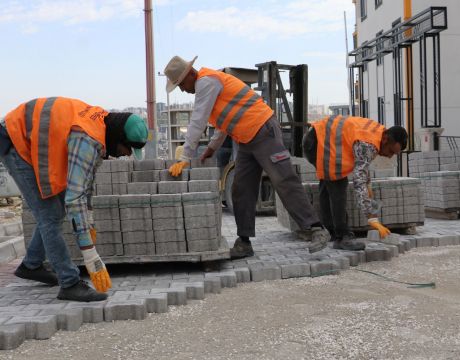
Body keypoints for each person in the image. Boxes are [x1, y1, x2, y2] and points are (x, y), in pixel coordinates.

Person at [163, 55, 328, 259]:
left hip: (263, 130)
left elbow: (198, 120)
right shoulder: (209, 84)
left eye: (180, 84)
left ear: (189, 74)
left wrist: (185, 156)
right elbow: (224, 120)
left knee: (283, 179)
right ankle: (244, 241)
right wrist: (212, 148)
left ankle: (315, 228)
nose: (182, 89)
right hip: (246, 138)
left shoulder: (206, 82)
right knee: (241, 189)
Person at [0, 97, 148, 302]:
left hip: (28, 138)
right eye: (128, 149)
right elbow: (75, 197)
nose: (127, 155)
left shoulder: (101, 127)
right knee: (49, 215)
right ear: (119, 138)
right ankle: (69, 283)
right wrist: (90, 255)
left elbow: (86, 182)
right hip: (15, 141)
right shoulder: (87, 138)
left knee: (54, 212)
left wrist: (90, 221)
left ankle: (31, 265)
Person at [302, 116, 407, 250]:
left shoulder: (378, 132)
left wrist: (367, 184)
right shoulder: (369, 144)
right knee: (338, 184)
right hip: (319, 142)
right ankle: (342, 237)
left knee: (328, 183)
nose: (389, 156)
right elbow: (358, 180)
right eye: (391, 151)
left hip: (316, 139)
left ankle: (330, 231)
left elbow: (362, 164)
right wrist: (371, 217)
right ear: (386, 139)